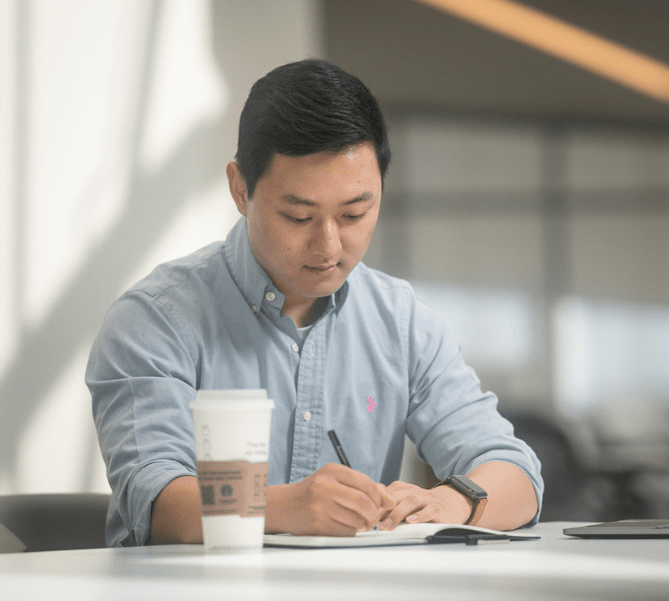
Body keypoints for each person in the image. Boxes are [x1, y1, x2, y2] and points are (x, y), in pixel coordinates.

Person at [87, 59, 542, 546]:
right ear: (240, 189)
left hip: (355, 595)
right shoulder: (155, 320)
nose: (328, 246)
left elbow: (517, 474)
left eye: (354, 214)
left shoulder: (401, 322)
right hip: (192, 595)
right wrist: (284, 507)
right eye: (298, 217)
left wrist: (452, 503)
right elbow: (154, 503)